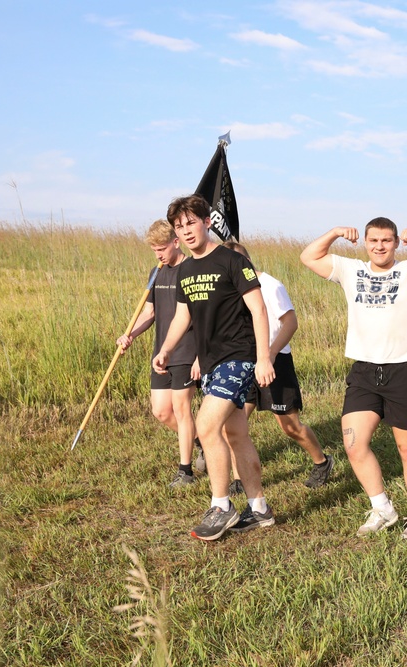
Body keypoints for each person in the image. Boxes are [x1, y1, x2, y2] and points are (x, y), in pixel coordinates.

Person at [300, 219, 407, 539]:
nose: (380, 246)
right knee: (353, 444)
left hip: (404, 370)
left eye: (387, 240)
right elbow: (309, 257)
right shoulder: (351, 269)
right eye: (373, 240)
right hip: (364, 371)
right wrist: (333, 233)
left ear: (397, 243)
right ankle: (382, 507)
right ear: (365, 242)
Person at [152, 195, 276, 541]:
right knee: (234, 433)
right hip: (209, 363)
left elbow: (259, 310)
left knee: (207, 426)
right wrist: (165, 349)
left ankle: (222, 506)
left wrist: (263, 357)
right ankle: (260, 509)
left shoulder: (232, 261)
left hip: (239, 356)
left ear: (208, 222)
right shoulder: (185, 270)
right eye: (180, 226)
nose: (186, 230)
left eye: (192, 222)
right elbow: (183, 315)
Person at [222, 241, 334, 490]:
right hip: (244, 362)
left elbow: (290, 323)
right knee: (233, 425)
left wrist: (269, 355)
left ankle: (322, 462)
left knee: (290, 426)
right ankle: (240, 479)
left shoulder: (270, 286)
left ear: (246, 263)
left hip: (275, 361)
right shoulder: (230, 290)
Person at [116, 219, 203, 488]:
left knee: (181, 409)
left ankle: (185, 471)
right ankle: (205, 443)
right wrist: (130, 333)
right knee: (161, 411)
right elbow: (149, 312)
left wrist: (201, 357)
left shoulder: (191, 271)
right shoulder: (156, 272)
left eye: (162, 249)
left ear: (176, 242)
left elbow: (200, 318)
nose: (158, 255)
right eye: (154, 250)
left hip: (187, 351)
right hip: (161, 353)